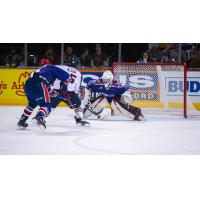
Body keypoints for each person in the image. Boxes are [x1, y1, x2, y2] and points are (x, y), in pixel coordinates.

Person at [17, 64, 76, 130]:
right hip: (39, 83)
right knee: (47, 105)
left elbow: (49, 92)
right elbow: (66, 76)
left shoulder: (44, 72)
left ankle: (22, 121)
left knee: (32, 104)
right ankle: (39, 116)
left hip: (28, 84)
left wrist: (62, 97)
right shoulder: (50, 68)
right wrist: (67, 83)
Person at [49, 61, 89, 126]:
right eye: (79, 66)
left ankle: (40, 116)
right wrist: (75, 96)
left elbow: (51, 68)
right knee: (80, 104)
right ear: (77, 66)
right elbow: (76, 89)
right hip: (69, 93)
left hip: (55, 91)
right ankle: (79, 120)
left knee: (50, 106)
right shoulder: (78, 73)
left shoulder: (62, 67)